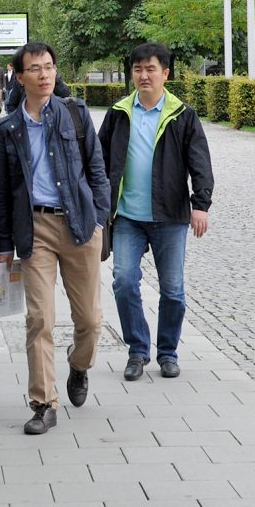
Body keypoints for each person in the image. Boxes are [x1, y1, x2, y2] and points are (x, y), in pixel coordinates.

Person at [0, 42, 109, 436]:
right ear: (19, 76)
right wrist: (5, 243)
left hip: (80, 226)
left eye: (49, 67)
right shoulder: (7, 130)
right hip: (34, 228)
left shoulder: (75, 115)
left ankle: (79, 365)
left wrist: (101, 220)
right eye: (35, 69)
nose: (44, 75)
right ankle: (44, 402)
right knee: (39, 319)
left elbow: (97, 168)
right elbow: (2, 192)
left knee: (90, 320)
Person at [97, 43, 214, 381]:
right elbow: (99, 161)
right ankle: (137, 350)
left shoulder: (182, 114)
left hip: (170, 216)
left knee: (173, 290)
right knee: (123, 282)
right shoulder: (119, 113)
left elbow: (200, 163)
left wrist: (201, 205)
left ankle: (167, 352)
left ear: (165, 73)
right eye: (138, 69)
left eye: (150, 69)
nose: (144, 75)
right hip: (127, 217)